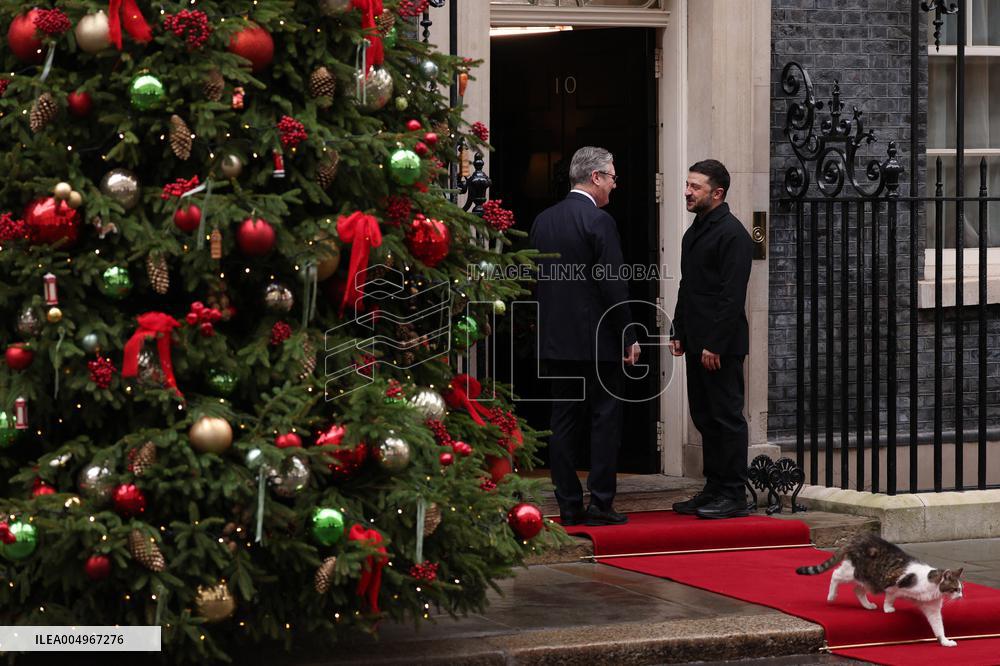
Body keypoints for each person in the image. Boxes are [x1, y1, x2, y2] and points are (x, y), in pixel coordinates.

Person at [529, 146, 640, 527]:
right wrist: (628, 336)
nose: (614, 184)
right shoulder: (599, 221)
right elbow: (613, 285)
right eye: (611, 176)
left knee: (563, 425)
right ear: (595, 178)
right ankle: (601, 504)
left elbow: (535, 283)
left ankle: (569, 505)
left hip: (557, 342)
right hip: (599, 342)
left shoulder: (543, 221)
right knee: (605, 421)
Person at [669, 160, 753, 520]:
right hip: (697, 341)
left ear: (717, 193)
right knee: (703, 416)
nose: (687, 192)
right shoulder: (695, 232)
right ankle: (714, 487)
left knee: (726, 417)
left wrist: (714, 344)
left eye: (695, 187)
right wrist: (678, 329)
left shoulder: (732, 234)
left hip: (720, 346)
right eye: (687, 184)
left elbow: (732, 295)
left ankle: (733, 494)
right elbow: (689, 286)